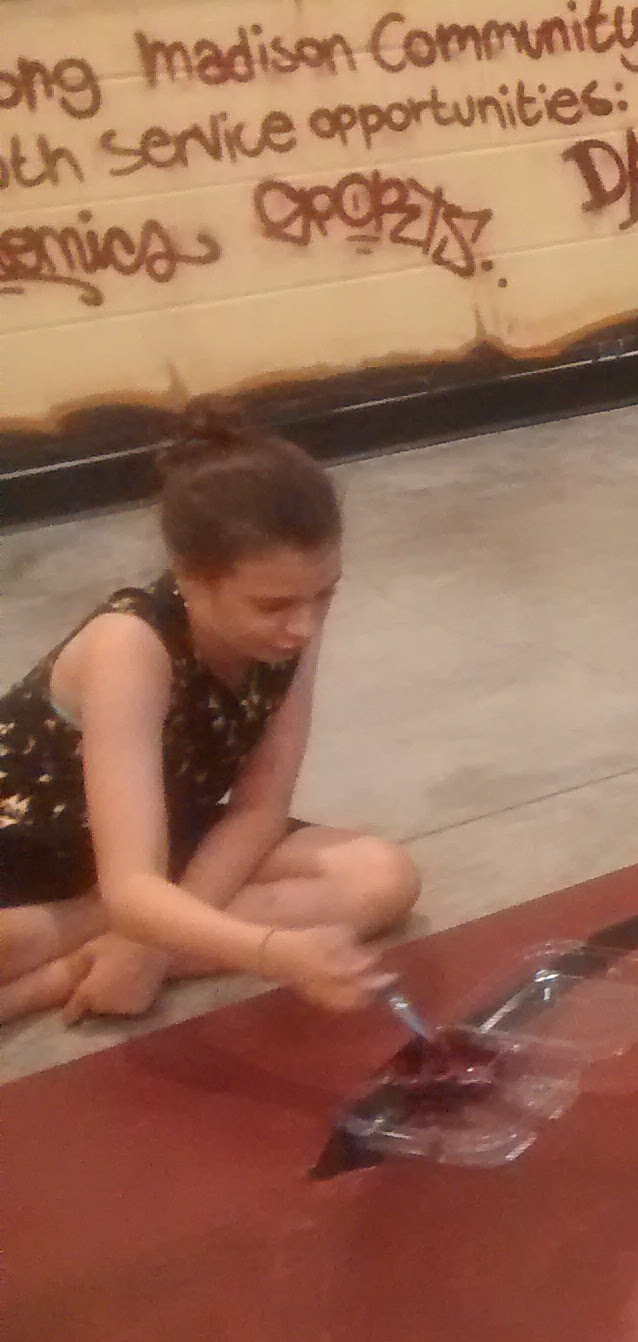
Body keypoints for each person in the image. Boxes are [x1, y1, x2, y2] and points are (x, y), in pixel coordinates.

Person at [0, 404, 417, 1023]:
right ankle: (71, 953)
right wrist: (272, 952)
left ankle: (74, 965)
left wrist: (147, 946)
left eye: (324, 594)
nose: (303, 626)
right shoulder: (130, 647)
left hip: (158, 841)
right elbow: (131, 886)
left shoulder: (289, 623)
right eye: (272, 605)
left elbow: (259, 809)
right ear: (192, 581)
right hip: (29, 855)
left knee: (381, 877)